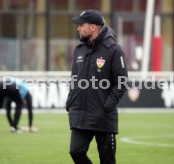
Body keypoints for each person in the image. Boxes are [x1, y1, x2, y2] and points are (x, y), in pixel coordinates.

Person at [66, 10, 128, 164]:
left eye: (81, 25)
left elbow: (122, 81)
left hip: (103, 117)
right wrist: (70, 101)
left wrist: (106, 106)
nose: (78, 28)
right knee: (76, 152)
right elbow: (74, 79)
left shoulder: (114, 50)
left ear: (93, 27)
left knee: (107, 160)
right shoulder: (79, 49)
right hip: (81, 114)